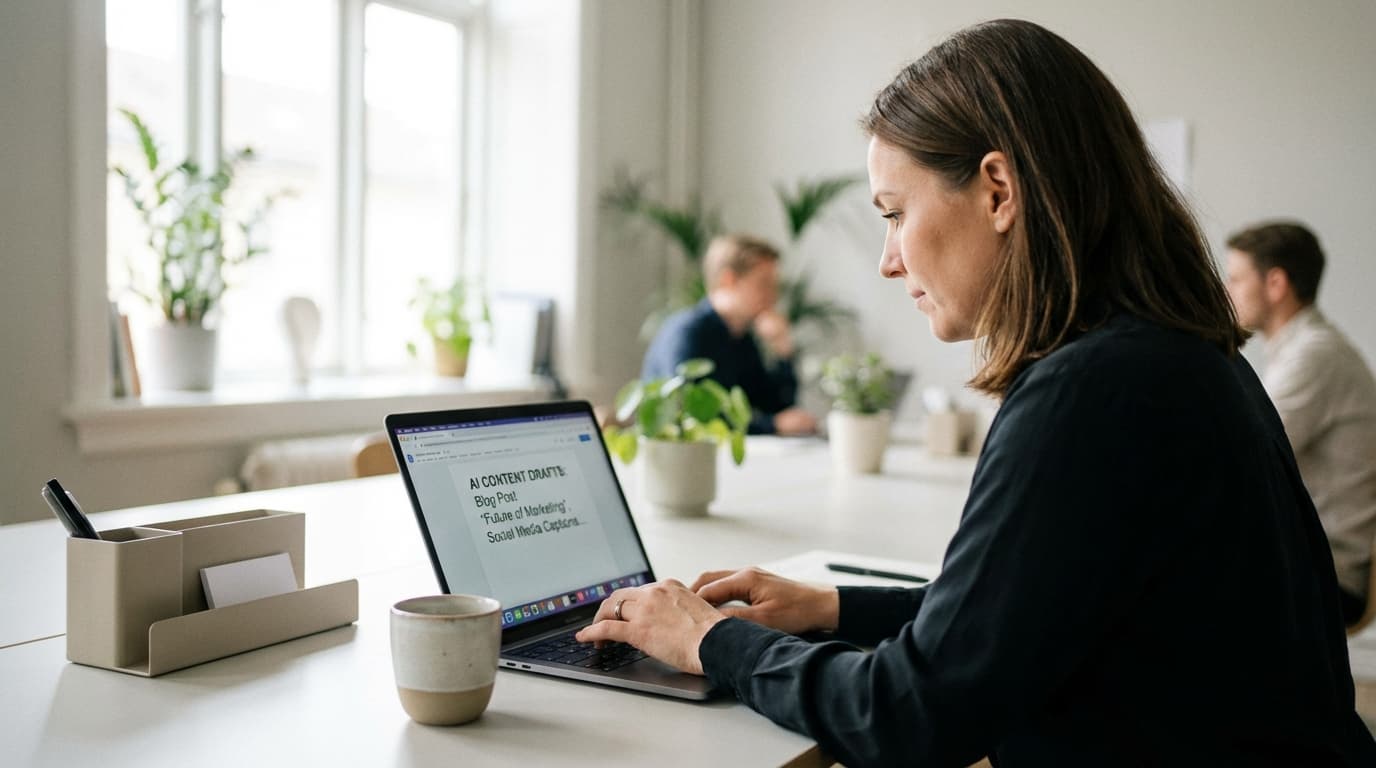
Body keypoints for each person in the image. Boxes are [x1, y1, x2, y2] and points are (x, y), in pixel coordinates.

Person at [578, 19, 1376, 767]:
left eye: (895, 214)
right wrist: (828, 609)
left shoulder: (1089, 391)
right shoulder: (1178, 355)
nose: (889, 261)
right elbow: (1016, 617)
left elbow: (912, 717)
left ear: (998, 189)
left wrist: (712, 640)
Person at [1225, 221, 1376, 626]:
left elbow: (1241, 456)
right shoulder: (1307, 351)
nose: (1227, 292)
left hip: (1327, 574)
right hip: (1309, 558)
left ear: (1275, 284)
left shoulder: (1315, 357)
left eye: (1236, 279)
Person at [641, 234, 816, 435]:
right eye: (764, 284)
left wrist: (783, 350)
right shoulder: (688, 334)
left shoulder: (742, 338)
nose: (773, 295)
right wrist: (772, 426)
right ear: (729, 280)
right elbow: (697, 419)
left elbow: (775, 407)